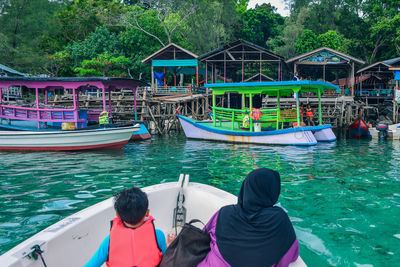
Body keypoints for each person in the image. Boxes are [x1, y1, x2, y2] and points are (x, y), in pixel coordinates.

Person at [198, 168, 299, 267]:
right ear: (272, 191)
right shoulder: (279, 219)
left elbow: (202, 239)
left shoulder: (224, 212)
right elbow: (292, 254)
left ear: (245, 188)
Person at [85, 186, 172, 267]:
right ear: (147, 213)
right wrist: (170, 248)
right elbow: (167, 262)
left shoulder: (109, 241)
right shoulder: (158, 235)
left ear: (117, 215)